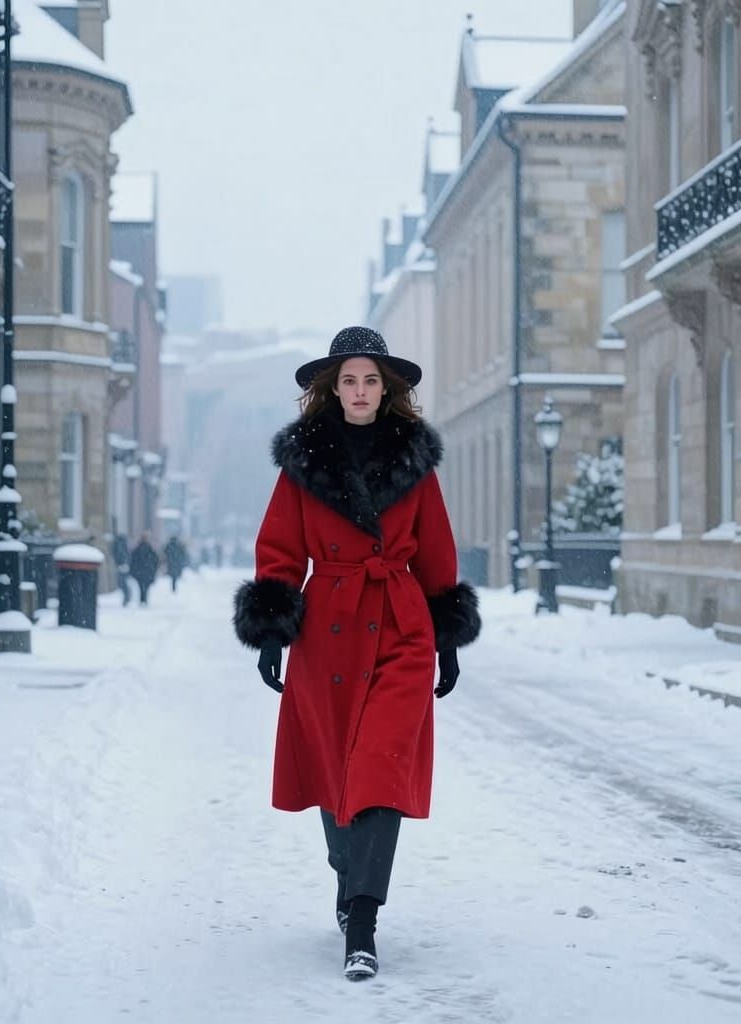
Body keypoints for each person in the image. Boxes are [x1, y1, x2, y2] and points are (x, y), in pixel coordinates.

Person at [232, 326, 481, 981]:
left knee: (379, 766)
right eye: (349, 380)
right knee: (335, 767)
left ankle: (363, 924)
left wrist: (446, 638)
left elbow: (435, 549)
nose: (361, 391)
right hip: (330, 624)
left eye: (371, 380)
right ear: (331, 388)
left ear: (387, 388)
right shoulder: (304, 462)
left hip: (400, 624)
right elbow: (281, 548)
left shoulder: (415, 461)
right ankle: (349, 875)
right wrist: (272, 632)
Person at [129, 532, 159, 606]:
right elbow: (155, 560)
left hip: (140, 572)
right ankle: (144, 598)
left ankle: (143, 599)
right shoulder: (149, 549)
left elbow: (132, 560)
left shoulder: (137, 549)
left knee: (141, 586)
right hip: (147, 571)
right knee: (145, 586)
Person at [112, 533, 131, 606]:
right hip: (124, 565)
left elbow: (119, 555)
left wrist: (120, 563)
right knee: (123, 582)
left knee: (122, 583)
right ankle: (127, 596)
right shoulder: (123, 545)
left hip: (122, 565)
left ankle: (127, 596)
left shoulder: (119, 545)